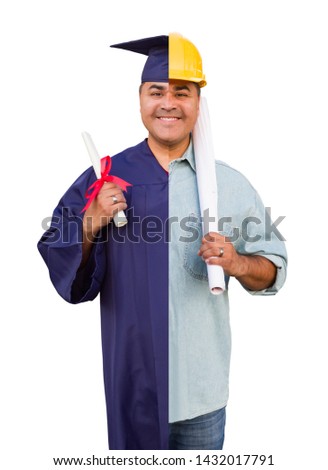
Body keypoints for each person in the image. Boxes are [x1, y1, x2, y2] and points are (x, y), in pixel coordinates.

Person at [38, 33, 287, 450]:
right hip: (133, 386)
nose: (168, 103)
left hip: (201, 397)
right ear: (140, 100)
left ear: (197, 103)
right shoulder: (105, 175)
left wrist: (239, 263)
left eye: (182, 92)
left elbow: (274, 268)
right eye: (157, 91)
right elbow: (55, 248)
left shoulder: (227, 183)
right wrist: (90, 221)